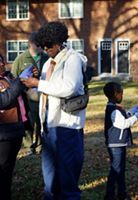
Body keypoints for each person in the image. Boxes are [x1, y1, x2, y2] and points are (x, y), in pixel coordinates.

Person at [22, 21, 87, 200]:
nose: (46, 48)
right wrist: (33, 83)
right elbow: (45, 91)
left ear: (59, 42)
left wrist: (39, 83)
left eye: (49, 45)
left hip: (66, 126)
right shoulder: (48, 63)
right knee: (50, 177)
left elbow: (69, 87)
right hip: (48, 126)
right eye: (43, 45)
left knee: (67, 178)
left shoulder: (72, 59)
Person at [103, 82, 138, 200]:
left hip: (118, 144)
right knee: (116, 170)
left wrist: (131, 112)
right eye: (121, 93)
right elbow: (123, 123)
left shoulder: (114, 108)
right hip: (115, 145)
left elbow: (122, 116)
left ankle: (121, 193)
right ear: (116, 94)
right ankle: (110, 195)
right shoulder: (113, 110)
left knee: (120, 169)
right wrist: (137, 116)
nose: (122, 96)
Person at [0, 54, 31, 200]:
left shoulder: (9, 77)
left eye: (1, 62)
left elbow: (19, 96)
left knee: (9, 169)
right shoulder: (13, 80)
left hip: (17, 129)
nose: (1, 65)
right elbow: (3, 100)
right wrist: (19, 83)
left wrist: (27, 81)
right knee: (3, 170)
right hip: (3, 134)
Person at [12, 32, 49, 154]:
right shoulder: (21, 59)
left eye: (41, 45)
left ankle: (39, 145)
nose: (40, 47)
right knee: (28, 122)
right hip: (25, 97)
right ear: (30, 44)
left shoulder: (46, 58)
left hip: (42, 96)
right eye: (37, 44)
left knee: (40, 121)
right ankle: (28, 146)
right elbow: (13, 77)